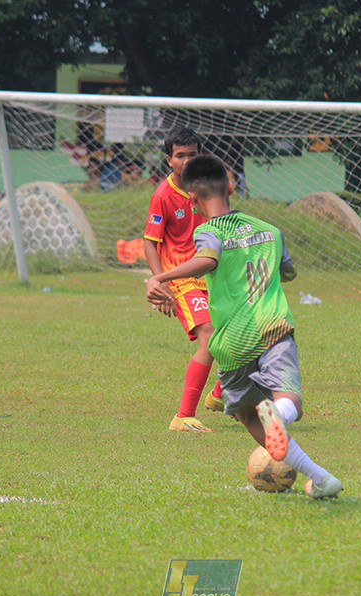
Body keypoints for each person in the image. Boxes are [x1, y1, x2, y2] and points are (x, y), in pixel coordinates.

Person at [146, 154, 343, 499]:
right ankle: (280, 413)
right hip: (273, 328)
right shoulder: (270, 230)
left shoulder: (206, 230)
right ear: (231, 187)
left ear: (192, 199)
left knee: (248, 415)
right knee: (289, 400)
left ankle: (321, 478)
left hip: (231, 341)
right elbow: (288, 272)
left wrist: (159, 276)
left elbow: (208, 258)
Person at [144, 127, 223, 433]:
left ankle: (219, 395)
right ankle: (184, 416)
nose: (187, 160)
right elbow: (150, 241)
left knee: (245, 333)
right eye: (180, 155)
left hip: (215, 275)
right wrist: (160, 282)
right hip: (183, 280)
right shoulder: (163, 195)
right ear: (169, 160)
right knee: (209, 335)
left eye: (193, 154)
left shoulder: (209, 187)